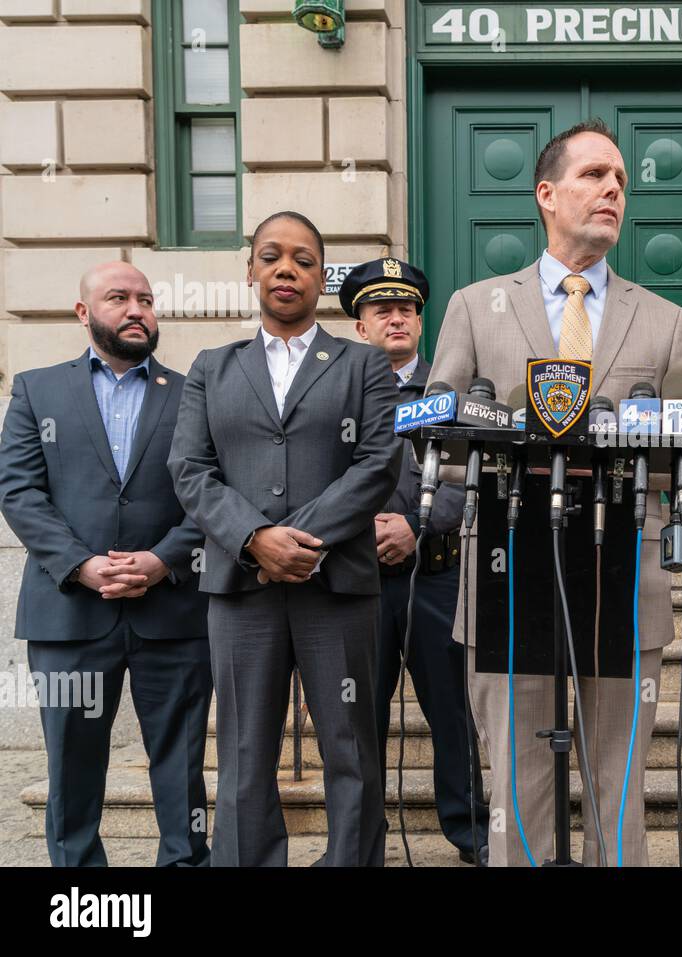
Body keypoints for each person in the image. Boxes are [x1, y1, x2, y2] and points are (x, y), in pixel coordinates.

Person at [426, 118, 682, 866]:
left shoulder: (663, 321)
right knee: (518, 789)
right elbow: (435, 435)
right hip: (505, 574)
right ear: (547, 193)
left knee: (615, 788)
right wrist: (520, 448)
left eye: (621, 181)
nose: (614, 191)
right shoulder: (473, 305)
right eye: (595, 175)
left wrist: (620, 454)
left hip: (622, 580)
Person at [169, 211, 403, 866]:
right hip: (242, 590)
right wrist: (254, 538)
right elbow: (189, 469)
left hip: (338, 588)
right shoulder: (212, 368)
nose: (286, 269)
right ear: (250, 270)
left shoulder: (363, 364)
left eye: (302, 259)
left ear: (321, 277)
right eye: (271, 256)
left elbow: (378, 463)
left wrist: (297, 540)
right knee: (245, 752)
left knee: (350, 748)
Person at [0, 262, 211, 866]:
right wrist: (81, 565)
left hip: (172, 611)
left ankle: (185, 862)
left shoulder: (191, 391)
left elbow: (210, 490)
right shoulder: (37, 389)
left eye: (145, 298)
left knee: (182, 761)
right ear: (83, 312)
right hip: (70, 612)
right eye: (117, 298)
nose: (136, 309)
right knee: (71, 761)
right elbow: (19, 492)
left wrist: (161, 559)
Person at [343, 256, 489, 865]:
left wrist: (418, 523)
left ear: (421, 322)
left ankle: (473, 833)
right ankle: (360, 842)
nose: (396, 318)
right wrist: (354, 527)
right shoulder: (339, 388)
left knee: (453, 716)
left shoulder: (449, 391)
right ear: (360, 326)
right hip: (355, 582)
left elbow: (474, 474)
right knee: (357, 723)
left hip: (435, 573)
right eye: (382, 310)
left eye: (406, 309)